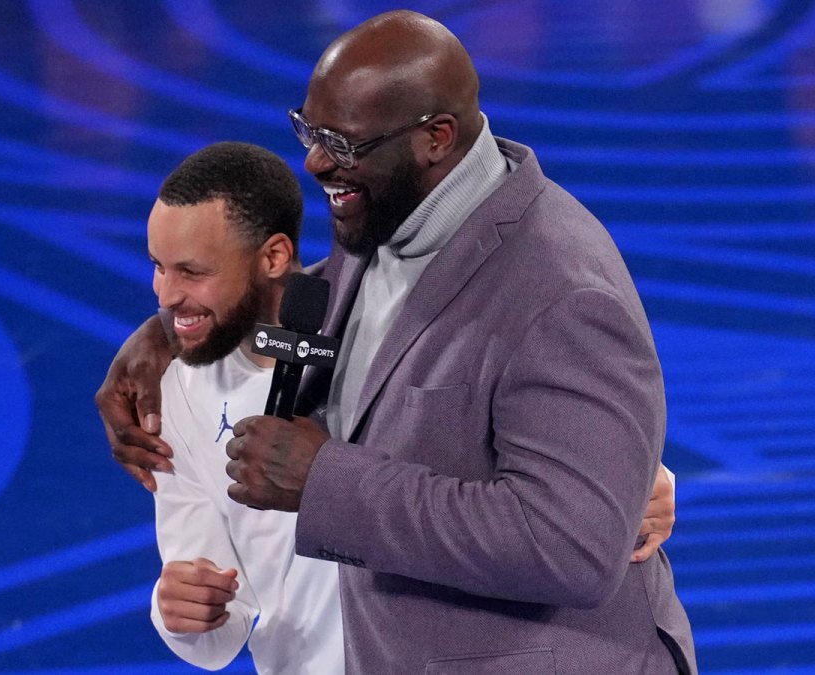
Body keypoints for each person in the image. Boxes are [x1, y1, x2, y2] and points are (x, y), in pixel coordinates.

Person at [102, 11, 695, 673]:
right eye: (308, 130)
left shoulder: (563, 292)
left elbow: (568, 546)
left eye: (342, 143)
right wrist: (166, 332)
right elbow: (341, 307)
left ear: (435, 138)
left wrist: (323, 479)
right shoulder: (392, 207)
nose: (315, 161)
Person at [139, 142, 343, 673]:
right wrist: (181, 612)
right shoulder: (177, 391)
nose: (164, 296)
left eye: (192, 271)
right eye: (159, 267)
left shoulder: (384, 340)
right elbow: (217, 626)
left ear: (273, 257)